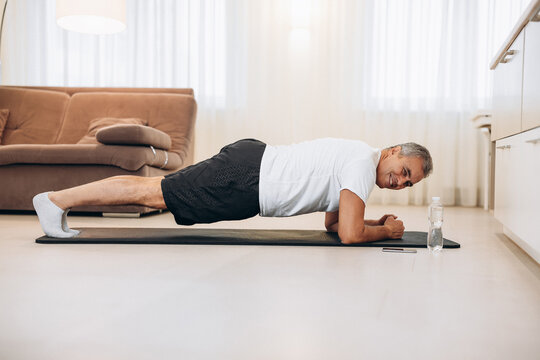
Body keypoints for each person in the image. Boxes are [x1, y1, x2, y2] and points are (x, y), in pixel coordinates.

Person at [33, 138, 433, 243]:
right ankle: (55, 201)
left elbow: (334, 223)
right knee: (152, 192)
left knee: (155, 191)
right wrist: (386, 232)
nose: (399, 182)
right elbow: (349, 236)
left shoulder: (359, 162)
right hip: (249, 177)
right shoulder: (362, 164)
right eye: (403, 171)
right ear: (393, 151)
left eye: (407, 182)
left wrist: (370, 222)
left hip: (250, 173)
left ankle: (58, 202)